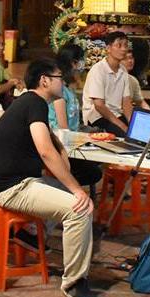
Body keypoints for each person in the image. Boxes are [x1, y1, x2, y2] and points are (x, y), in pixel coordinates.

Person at [0, 58, 99, 297]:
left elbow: (54, 149)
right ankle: (74, 282)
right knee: (79, 209)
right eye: (59, 78)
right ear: (44, 80)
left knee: (71, 193)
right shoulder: (34, 103)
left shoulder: (31, 103)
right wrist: (76, 189)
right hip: (13, 188)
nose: (63, 83)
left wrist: (67, 173)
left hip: (24, 181)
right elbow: (46, 152)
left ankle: (29, 235)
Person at [48, 44, 102, 190]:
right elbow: (63, 127)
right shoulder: (59, 91)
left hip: (72, 141)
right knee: (93, 173)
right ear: (74, 63)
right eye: (82, 59)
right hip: (62, 146)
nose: (84, 63)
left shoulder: (69, 88)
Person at [82, 31, 133, 134]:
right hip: (97, 116)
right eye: (119, 45)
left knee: (139, 133)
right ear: (108, 48)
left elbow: (126, 103)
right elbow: (99, 105)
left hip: (116, 114)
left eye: (125, 45)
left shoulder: (123, 70)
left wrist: (133, 125)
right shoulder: (98, 70)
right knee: (122, 133)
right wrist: (122, 126)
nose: (123, 49)